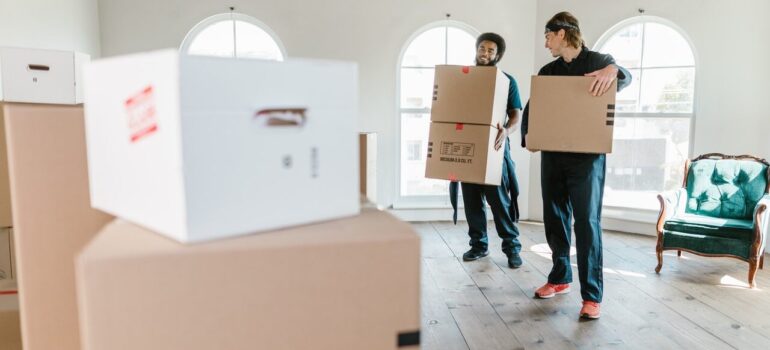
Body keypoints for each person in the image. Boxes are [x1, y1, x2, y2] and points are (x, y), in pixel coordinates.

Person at [520, 12, 632, 319]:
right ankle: (559, 278)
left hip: (587, 160)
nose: (545, 44)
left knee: (586, 223)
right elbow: (534, 106)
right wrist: (527, 134)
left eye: (547, 37)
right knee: (554, 219)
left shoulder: (599, 62)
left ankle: (592, 296)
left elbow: (626, 77)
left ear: (561, 33)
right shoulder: (548, 70)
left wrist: (614, 69)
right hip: (553, 156)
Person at [449, 32, 524, 269]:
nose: (485, 53)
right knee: (472, 201)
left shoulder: (506, 81)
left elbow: (516, 115)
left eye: (491, 50)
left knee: (499, 201)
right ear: (476, 49)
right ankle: (479, 246)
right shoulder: (464, 78)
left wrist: (507, 131)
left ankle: (512, 248)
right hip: (468, 146)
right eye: (482, 48)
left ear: (497, 55)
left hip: (494, 147)